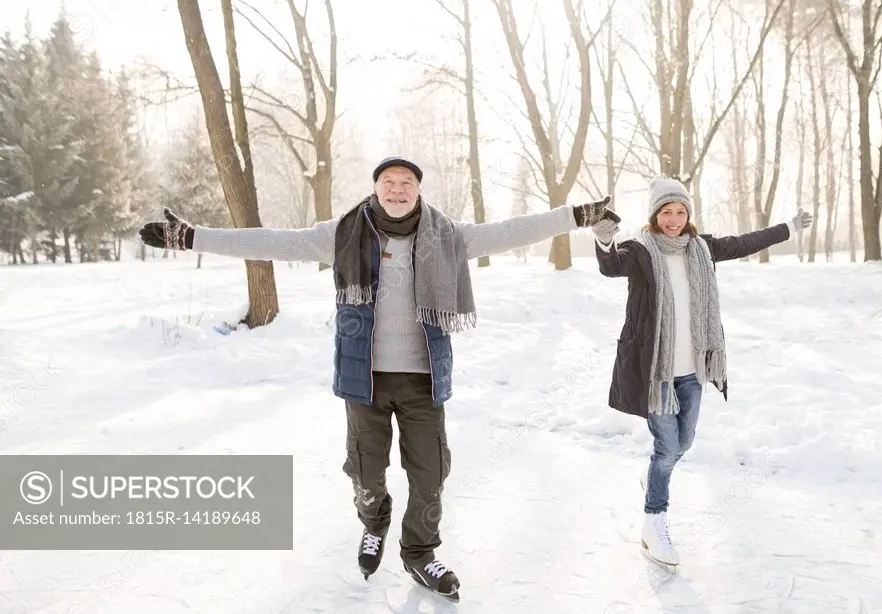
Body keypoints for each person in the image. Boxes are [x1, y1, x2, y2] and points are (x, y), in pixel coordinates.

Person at [138, 155, 616, 600]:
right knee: (366, 474)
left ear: (418, 191)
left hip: (424, 380)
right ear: (376, 189)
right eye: (389, 182)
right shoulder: (343, 232)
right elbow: (271, 240)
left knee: (430, 474)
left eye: (406, 183)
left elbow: (515, 230)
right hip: (362, 378)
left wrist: (574, 216)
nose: (397, 189)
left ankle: (420, 554)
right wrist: (194, 236)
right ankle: (374, 522)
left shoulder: (448, 235)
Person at [589, 175, 811, 567]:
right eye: (666, 212)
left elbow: (746, 242)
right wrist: (604, 237)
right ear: (655, 215)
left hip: (692, 370)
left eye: (680, 211)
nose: (674, 219)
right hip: (656, 374)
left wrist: (788, 227)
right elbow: (610, 266)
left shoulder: (702, 249)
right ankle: (653, 523)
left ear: (688, 213)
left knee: (683, 443)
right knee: (667, 448)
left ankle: (656, 475)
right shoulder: (640, 251)